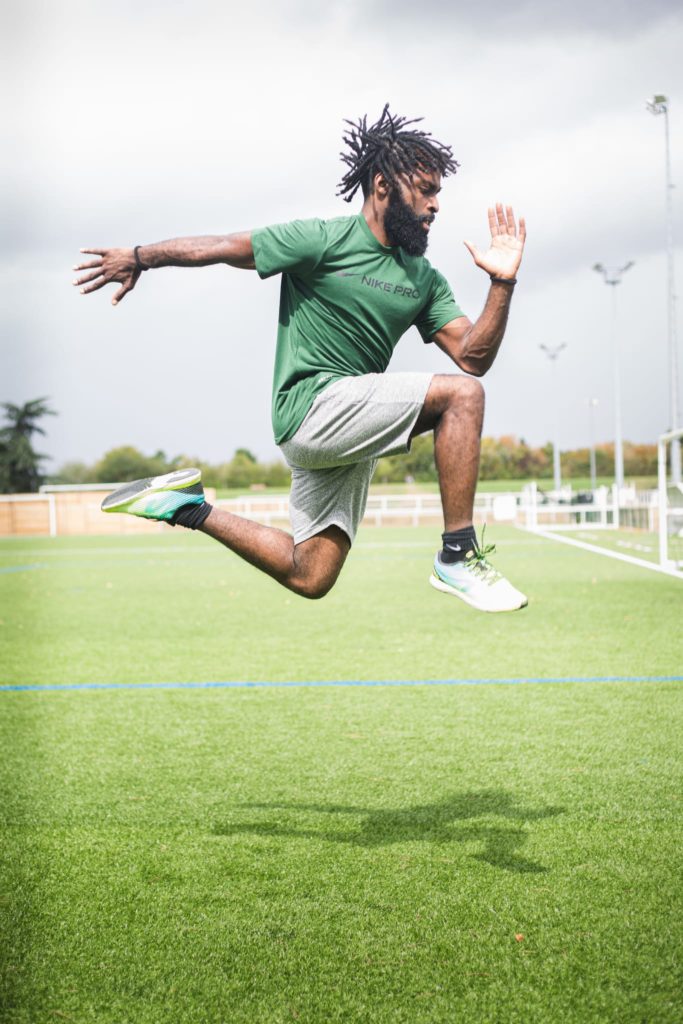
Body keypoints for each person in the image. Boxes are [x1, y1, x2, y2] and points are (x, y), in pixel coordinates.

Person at [74, 105, 527, 613]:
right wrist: (138, 257)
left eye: (438, 192)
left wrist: (502, 282)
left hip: (350, 426)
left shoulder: (423, 279)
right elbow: (224, 246)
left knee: (310, 573)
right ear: (382, 185)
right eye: (426, 188)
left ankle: (188, 507)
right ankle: (459, 554)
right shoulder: (323, 239)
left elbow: (473, 357)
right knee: (462, 398)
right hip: (311, 409)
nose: (436, 205)